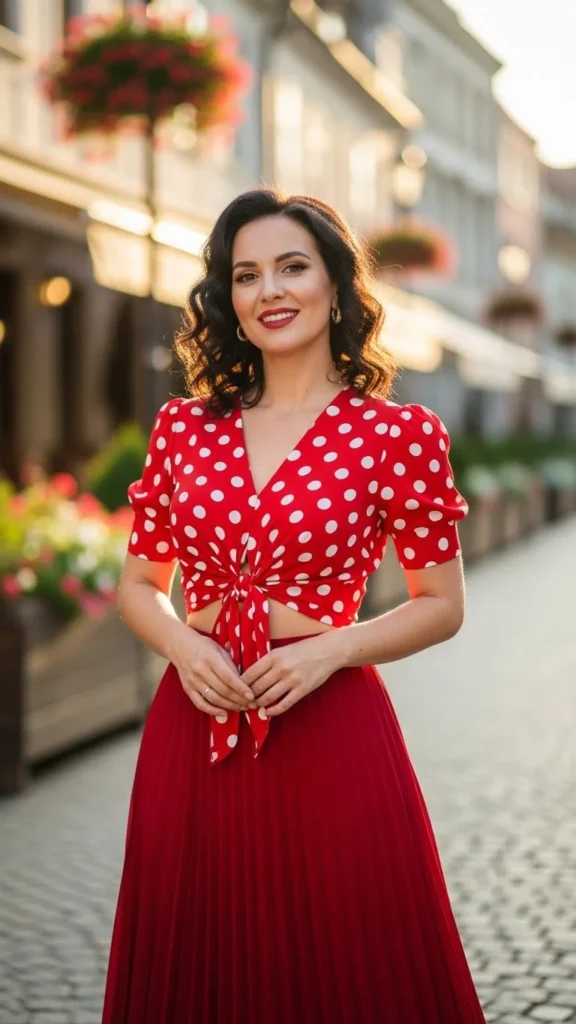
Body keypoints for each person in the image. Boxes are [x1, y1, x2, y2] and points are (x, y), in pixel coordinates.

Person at [102, 186, 485, 1024]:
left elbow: (442, 604)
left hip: (331, 721)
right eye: (246, 275)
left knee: (345, 965)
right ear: (226, 300)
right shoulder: (181, 429)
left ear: (337, 285)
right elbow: (138, 585)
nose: (269, 290)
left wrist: (330, 649)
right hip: (192, 725)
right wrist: (183, 647)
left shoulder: (399, 436)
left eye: (291, 267)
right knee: (194, 959)